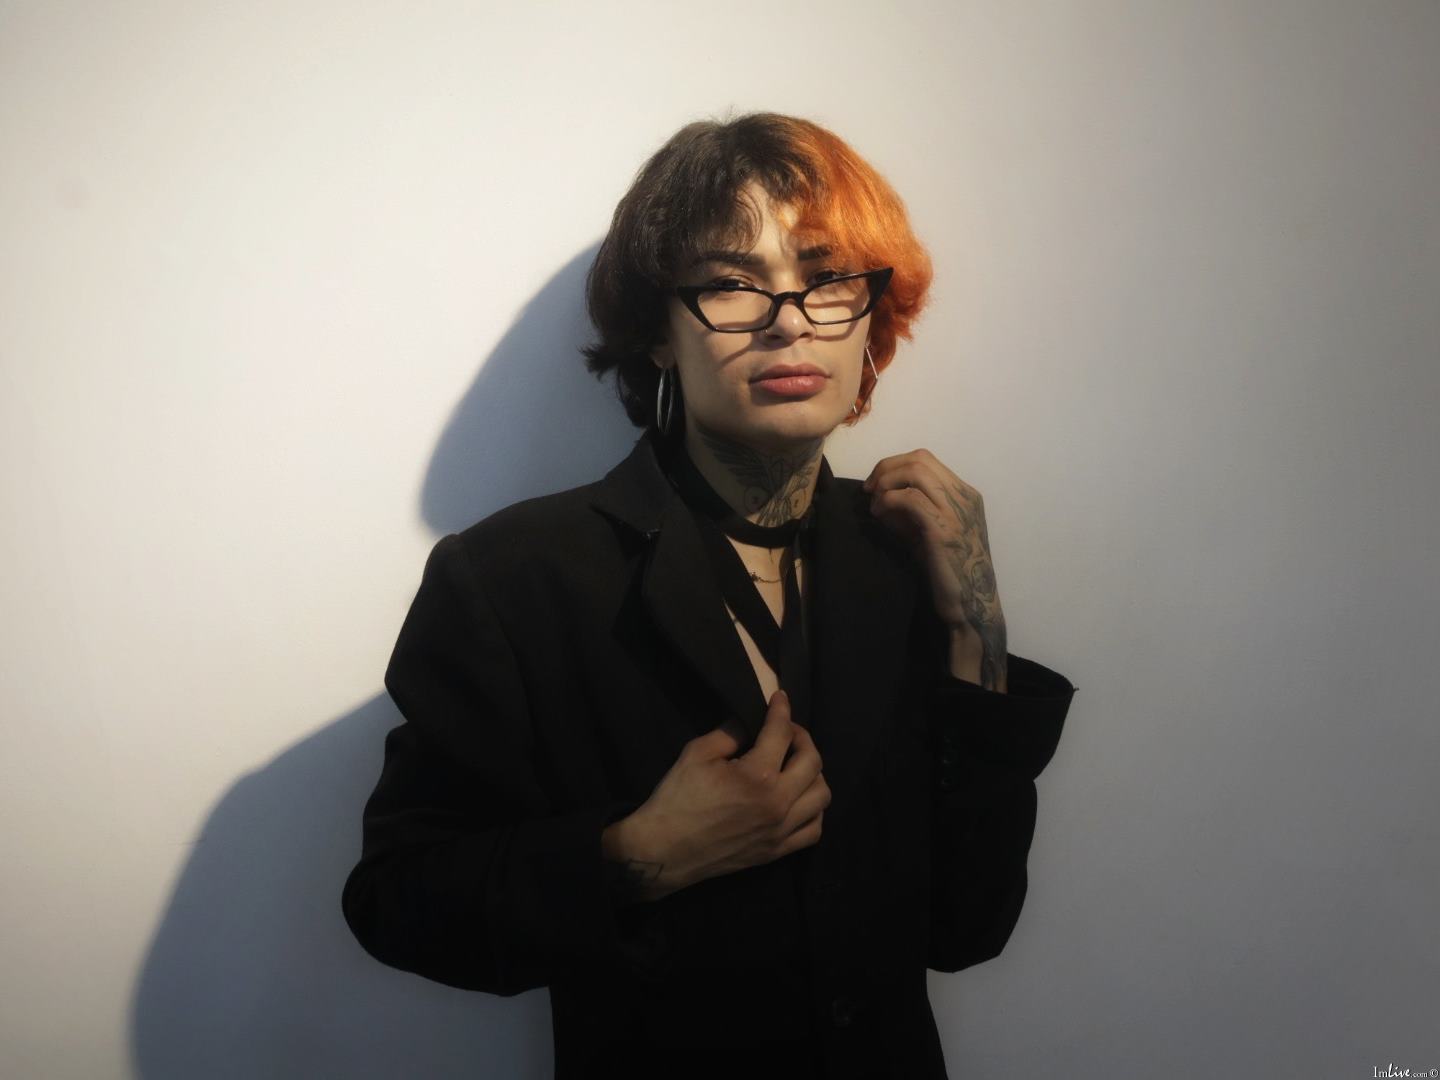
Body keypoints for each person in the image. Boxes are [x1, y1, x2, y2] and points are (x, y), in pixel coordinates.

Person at [341, 112, 1076, 1080]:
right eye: (733, 282)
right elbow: (396, 902)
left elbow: (968, 925)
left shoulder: (911, 559)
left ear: (871, 316)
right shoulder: (516, 576)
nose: (788, 319)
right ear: (658, 332)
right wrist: (640, 854)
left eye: (827, 277)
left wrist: (975, 630)